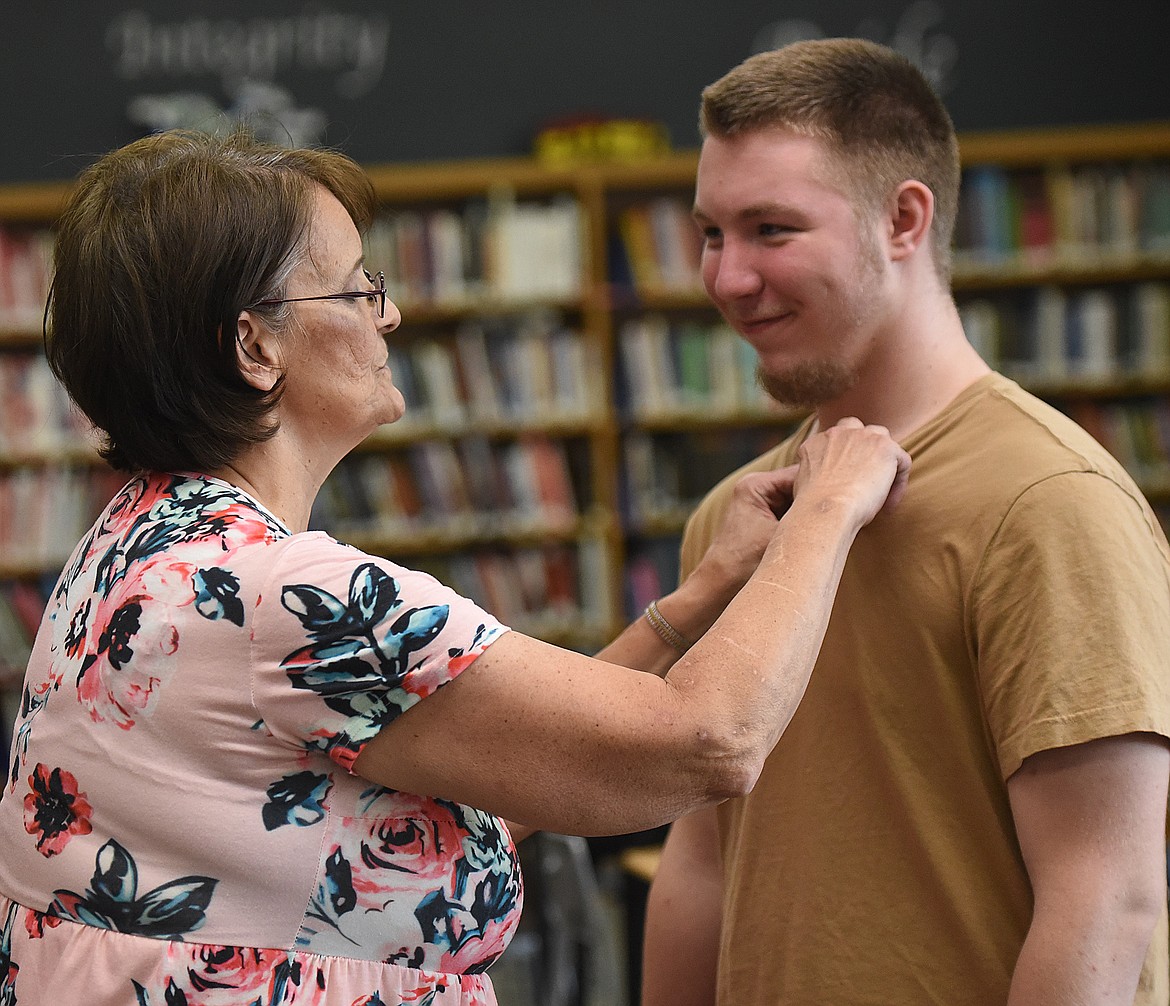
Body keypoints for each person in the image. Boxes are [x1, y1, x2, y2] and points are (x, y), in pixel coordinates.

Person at [0, 128, 908, 1005]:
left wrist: (704, 595)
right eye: (357, 290)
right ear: (254, 347)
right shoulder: (292, 597)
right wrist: (827, 510)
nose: (390, 312)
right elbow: (706, 741)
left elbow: (485, 777)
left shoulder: (130, 548)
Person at [640, 37, 1170, 1006]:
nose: (726, 277)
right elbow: (705, 860)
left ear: (904, 218)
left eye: (771, 228)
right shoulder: (739, 516)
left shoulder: (1048, 502)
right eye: (712, 233)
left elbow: (1105, 897)